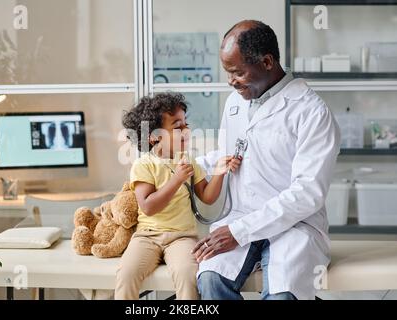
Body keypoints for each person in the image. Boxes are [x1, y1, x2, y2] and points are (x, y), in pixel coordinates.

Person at [192, 20, 341, 300]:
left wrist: (239, 232)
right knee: (211, 281)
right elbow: (229, 154)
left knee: (283, 295)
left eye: (237, 72)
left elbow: (307, 194)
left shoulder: (311, 112)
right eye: (228, 73)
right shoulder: (235, 101)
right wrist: (187, 167)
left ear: (267, 62)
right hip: (239, 215)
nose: (230, 81)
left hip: (295, 226)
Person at [116, 92, 241, 299]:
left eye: (185, 124)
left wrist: (219, 172)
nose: (186, 130)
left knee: (188, 275)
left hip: (182, 237)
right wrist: (176, 180)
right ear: (154, 136)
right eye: (177, 127)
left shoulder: (188, 161)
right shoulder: (143, 165)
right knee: (127, 273)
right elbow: (148, 206)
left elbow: (207, 197)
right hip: (147, 236)